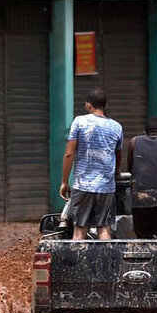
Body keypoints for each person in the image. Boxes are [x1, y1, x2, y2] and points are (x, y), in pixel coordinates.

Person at [61, 88, 124, 240]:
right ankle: (105, 264)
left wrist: (64, 182)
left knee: (79, 231)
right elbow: (118, 155)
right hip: (106, 187)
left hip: (83, 186)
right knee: (104, 230)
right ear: (106, 105)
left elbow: (69, 154)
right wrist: (115, 174)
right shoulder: (117, 127)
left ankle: (79, 263)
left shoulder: (79, 122)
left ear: (88, 105)